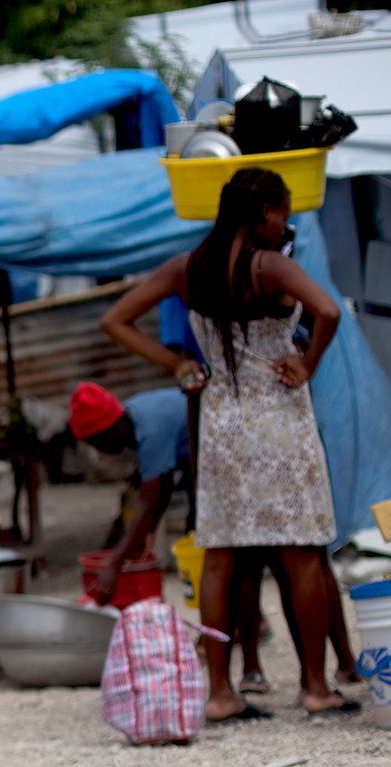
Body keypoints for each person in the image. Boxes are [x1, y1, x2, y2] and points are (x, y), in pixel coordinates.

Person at [101, 166, 354, 720]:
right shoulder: (273, 267)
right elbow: (329, 311)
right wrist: (307, 363)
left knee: (220, 555)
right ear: (263, 211)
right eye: (283, 212)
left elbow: (116, 319)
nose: (285, 223)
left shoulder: (188, 268)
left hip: (221, 422)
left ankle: (220, 692)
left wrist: (178, 363)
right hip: (280, 418)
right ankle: (315, 687)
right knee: (302, 552)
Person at [69, 382, 190, 604]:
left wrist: (114, 566)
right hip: (197, 465)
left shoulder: (150, 431)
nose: (100, 450)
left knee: (215, 551)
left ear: (115, 427)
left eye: (98, 441)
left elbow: (149, 503)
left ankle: (239, 625)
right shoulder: (132, 416)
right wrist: (148, 531)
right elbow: (162, 484)